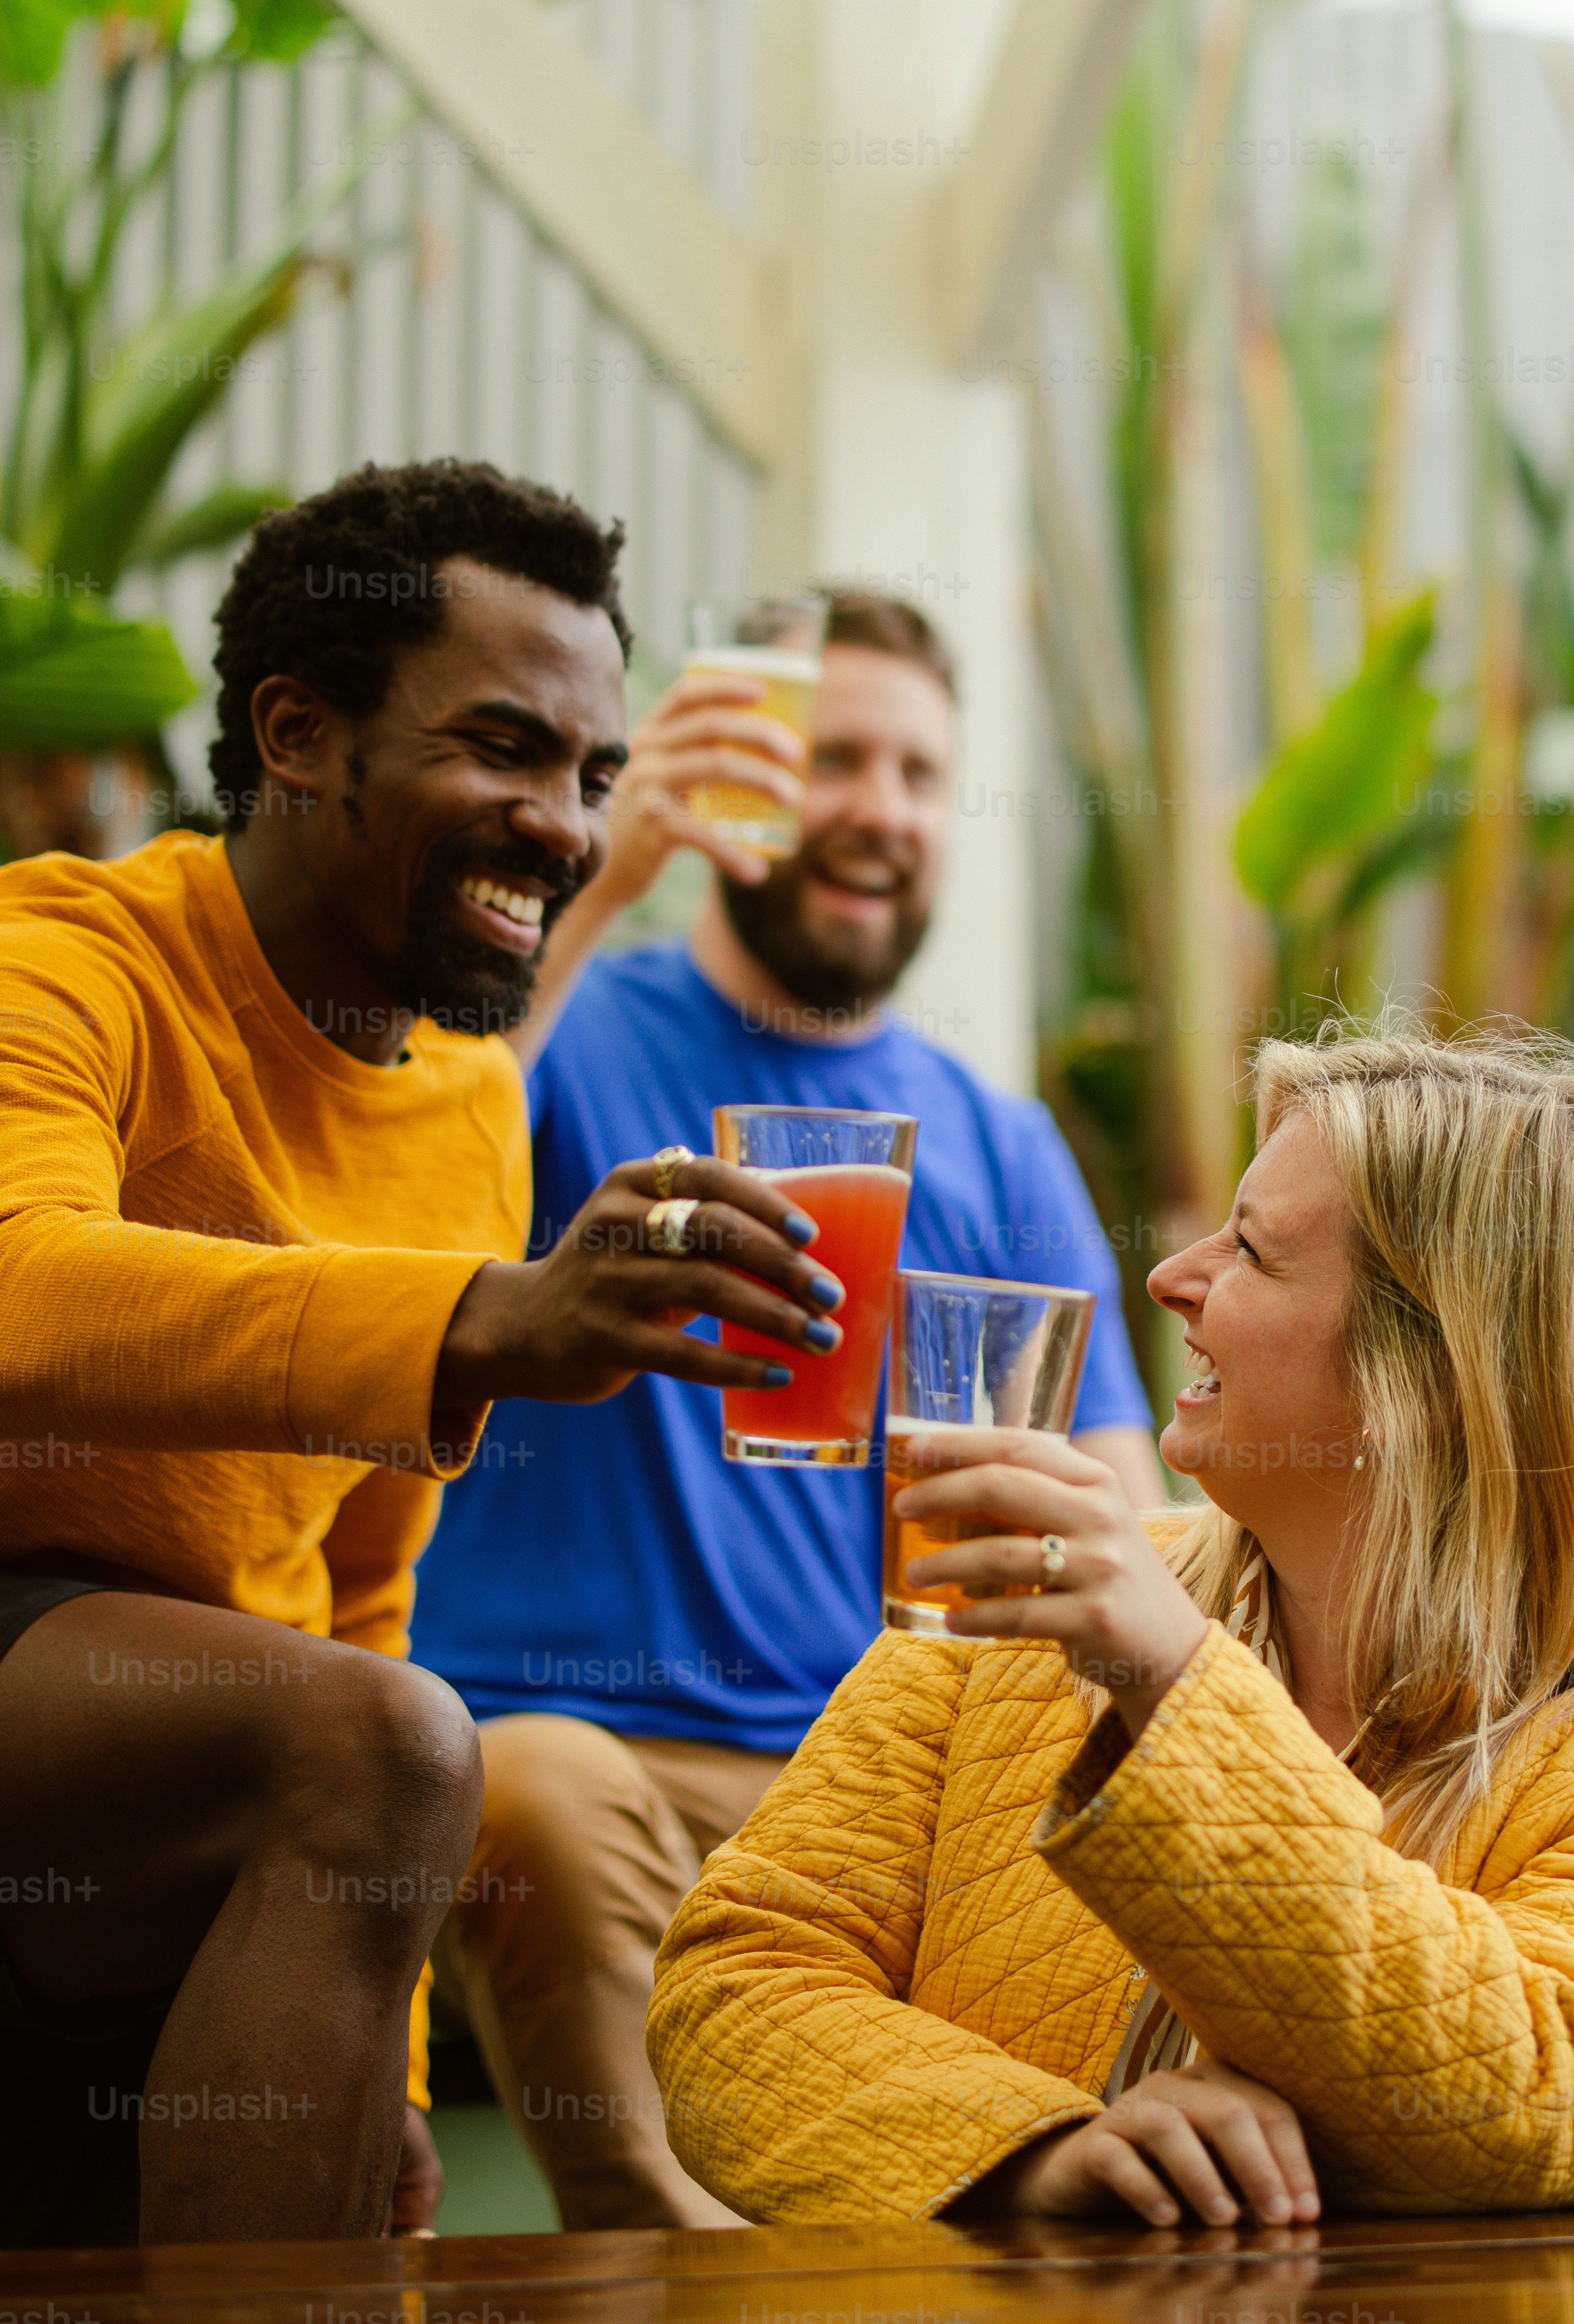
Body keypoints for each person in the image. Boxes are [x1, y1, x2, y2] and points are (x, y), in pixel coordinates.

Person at [0, 461, 849, 2249]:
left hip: (187, 1773)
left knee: (71, 2259)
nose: (568, 830)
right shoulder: (42, 959)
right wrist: (485, 1316)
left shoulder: (469, 1106)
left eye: (591, 777)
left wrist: (390, 2066)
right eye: (501, 749)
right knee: (385, 1747)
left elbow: (356, 1595)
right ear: (296, 731)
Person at [646, 1028, 1574, 2225]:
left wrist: (1173, 1681)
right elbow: (733, 1986)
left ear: (1437, 1363)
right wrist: (1040, 2155)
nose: (1169, 1276)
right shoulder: (1017, 1609)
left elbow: (1542, 2097)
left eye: (1249, 1247)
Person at [407, 586, 1164, 2227]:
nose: (878, 811)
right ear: (735, 770)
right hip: (595, 1759)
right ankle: (687, 2261)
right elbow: (395, 1193)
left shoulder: (997, 1132)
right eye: (832, 759)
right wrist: (604, 873)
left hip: (878, 1796)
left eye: (913, 773)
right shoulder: (568, 1024)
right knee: (525, 1786)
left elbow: (1129, 1506)